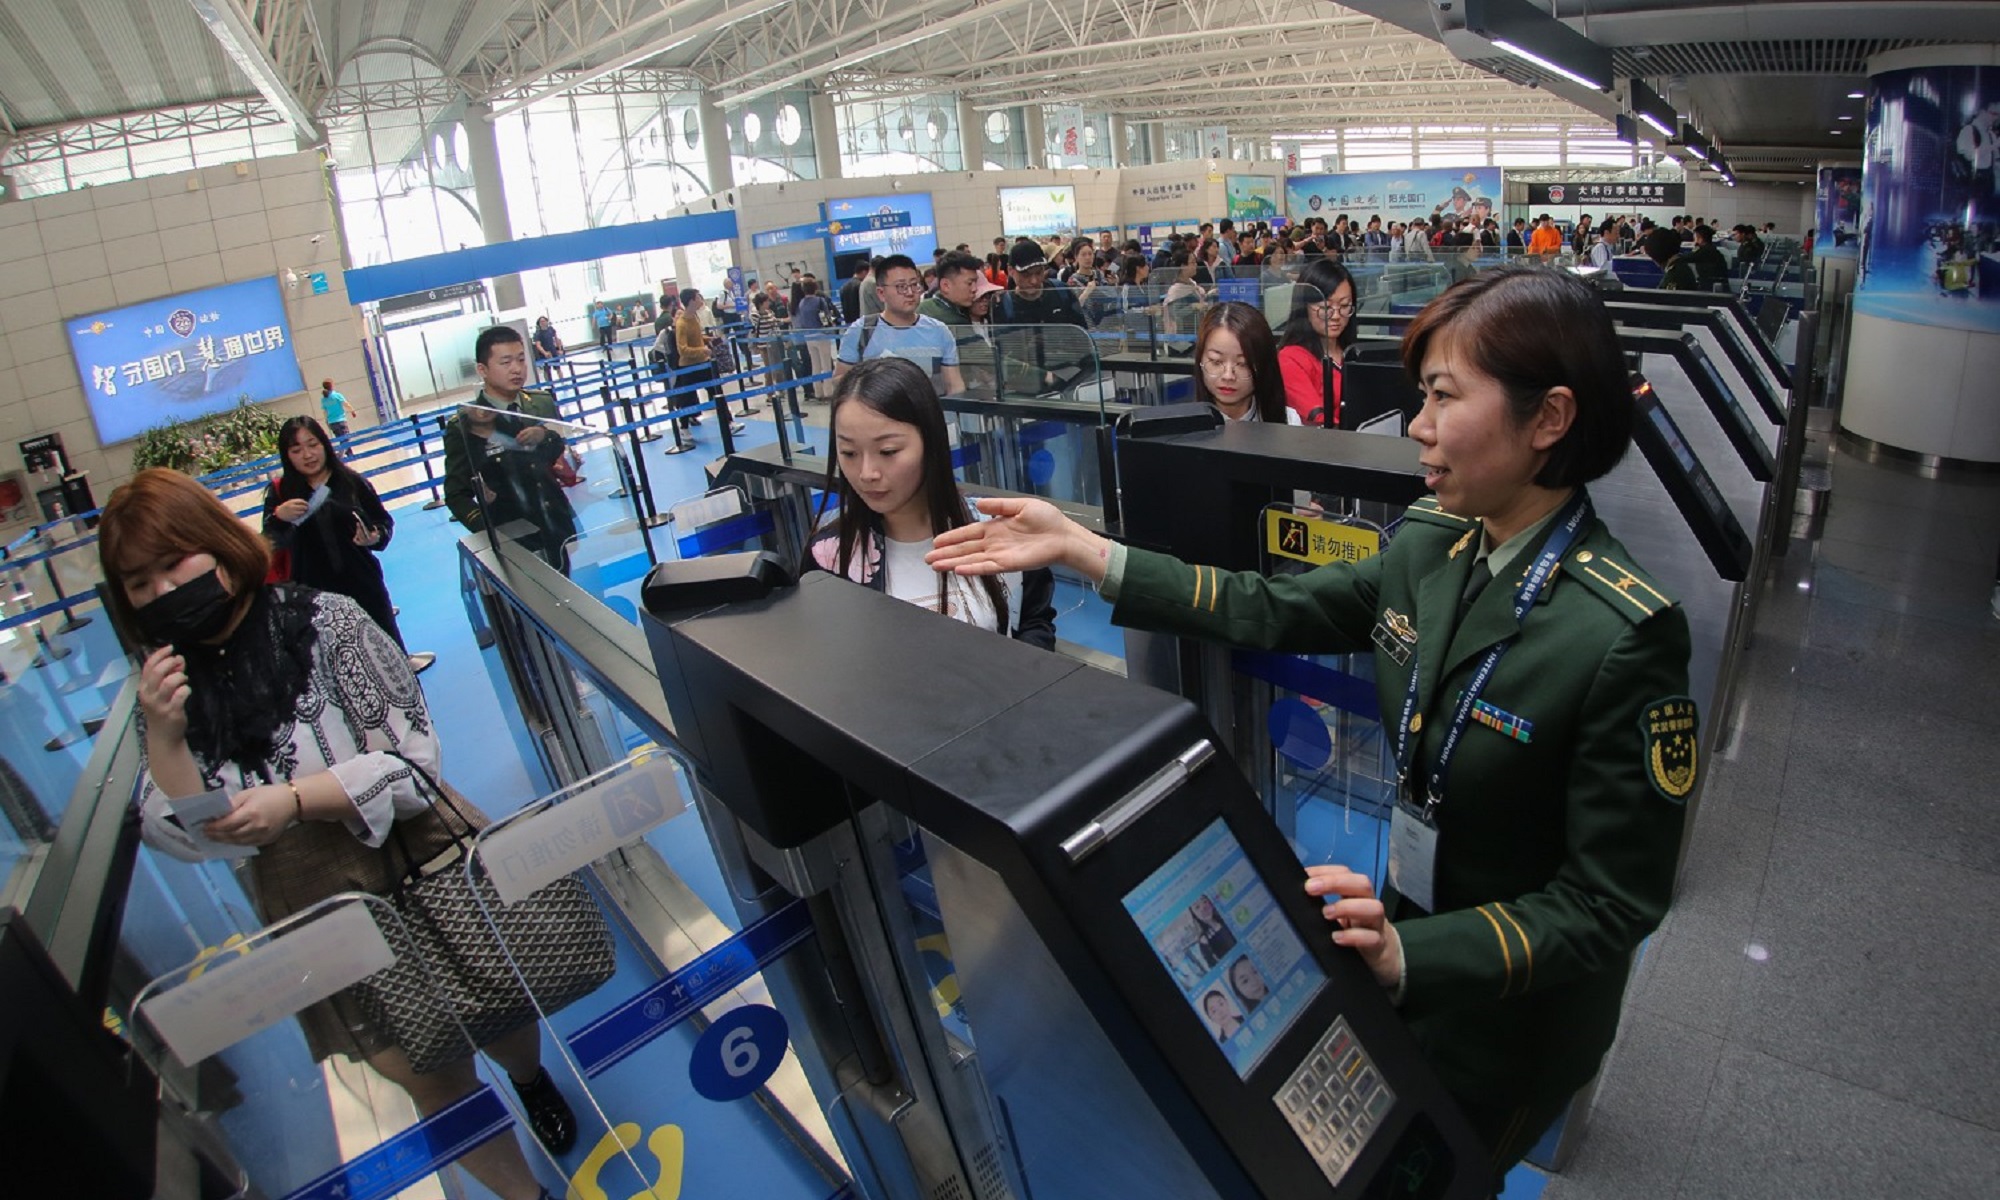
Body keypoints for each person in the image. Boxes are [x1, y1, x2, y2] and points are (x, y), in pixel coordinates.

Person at [927, 266, 1696, 1186]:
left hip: (1508, 1021)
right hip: (1398, 941)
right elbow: (1264, 606)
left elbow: (1611, 905)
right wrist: (1087, 551)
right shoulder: (1433, 543)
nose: (1417, 426)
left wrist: (1416, 955)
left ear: (1550, 418)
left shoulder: (1622, 636)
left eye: (1444, 398)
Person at [103, 469, 575, 1200]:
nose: (164, 591)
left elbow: (415, 761)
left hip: (414, 853)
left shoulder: (326, 622)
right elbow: (195, 838)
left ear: (220, 546)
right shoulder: (163, 690)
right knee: (418, 1066)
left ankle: (527, 1074)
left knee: (498, 1002)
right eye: (139, 583)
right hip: (310, 901)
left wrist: (295, 801)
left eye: (176, 563)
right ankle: (525, 1193)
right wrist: (166, 742)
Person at [804, 357, 1055, 648]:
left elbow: (1034, 621)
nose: (866, 473)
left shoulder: (998, 531)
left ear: (931, 441)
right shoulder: (829, 555)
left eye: (888, 451)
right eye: (848, 453)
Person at [262, 416, 433, 675]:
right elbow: (269, 543)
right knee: (333, 665)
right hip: (311, 591)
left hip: (362, 581)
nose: (307, 455)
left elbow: (383, 522)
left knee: (387, 654)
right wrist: (279, 517)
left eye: (313, 444)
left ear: (325, 444)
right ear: (287, 455)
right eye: (296, 450)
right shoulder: (281, 492)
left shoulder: (350, 481)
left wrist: (374, 536)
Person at [443, 327, 579, 572]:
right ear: (482, 370)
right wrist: (488, 530)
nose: (517, 369)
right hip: (512, 536)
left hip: (556, 525)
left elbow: (560, 456)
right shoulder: (467, 425)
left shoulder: (540, 404)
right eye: (505, 362)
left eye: (520, 359)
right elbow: (456, 494)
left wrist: (547, 438)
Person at [834, 255, 964, 395]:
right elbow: (838, 380)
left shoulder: (939, 331)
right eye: (901, 287)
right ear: (881, 293)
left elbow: (954, 385)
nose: (910, 293)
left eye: (914, 285)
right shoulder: (861, 330)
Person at [1277, 258, 1358, 427]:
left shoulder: (1352, 353)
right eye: (1326, 308)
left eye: (1344, 306)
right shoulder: (1291, 359)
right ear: (1304, 307)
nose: (1336, 316)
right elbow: (1318, 420)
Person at [1194, 302, 1299, 426]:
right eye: (1216, 362)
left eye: (1243, 364)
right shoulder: (1182, 424)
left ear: (1263, 365)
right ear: (1200, 359)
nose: (1228, 376)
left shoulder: (1289, 422)